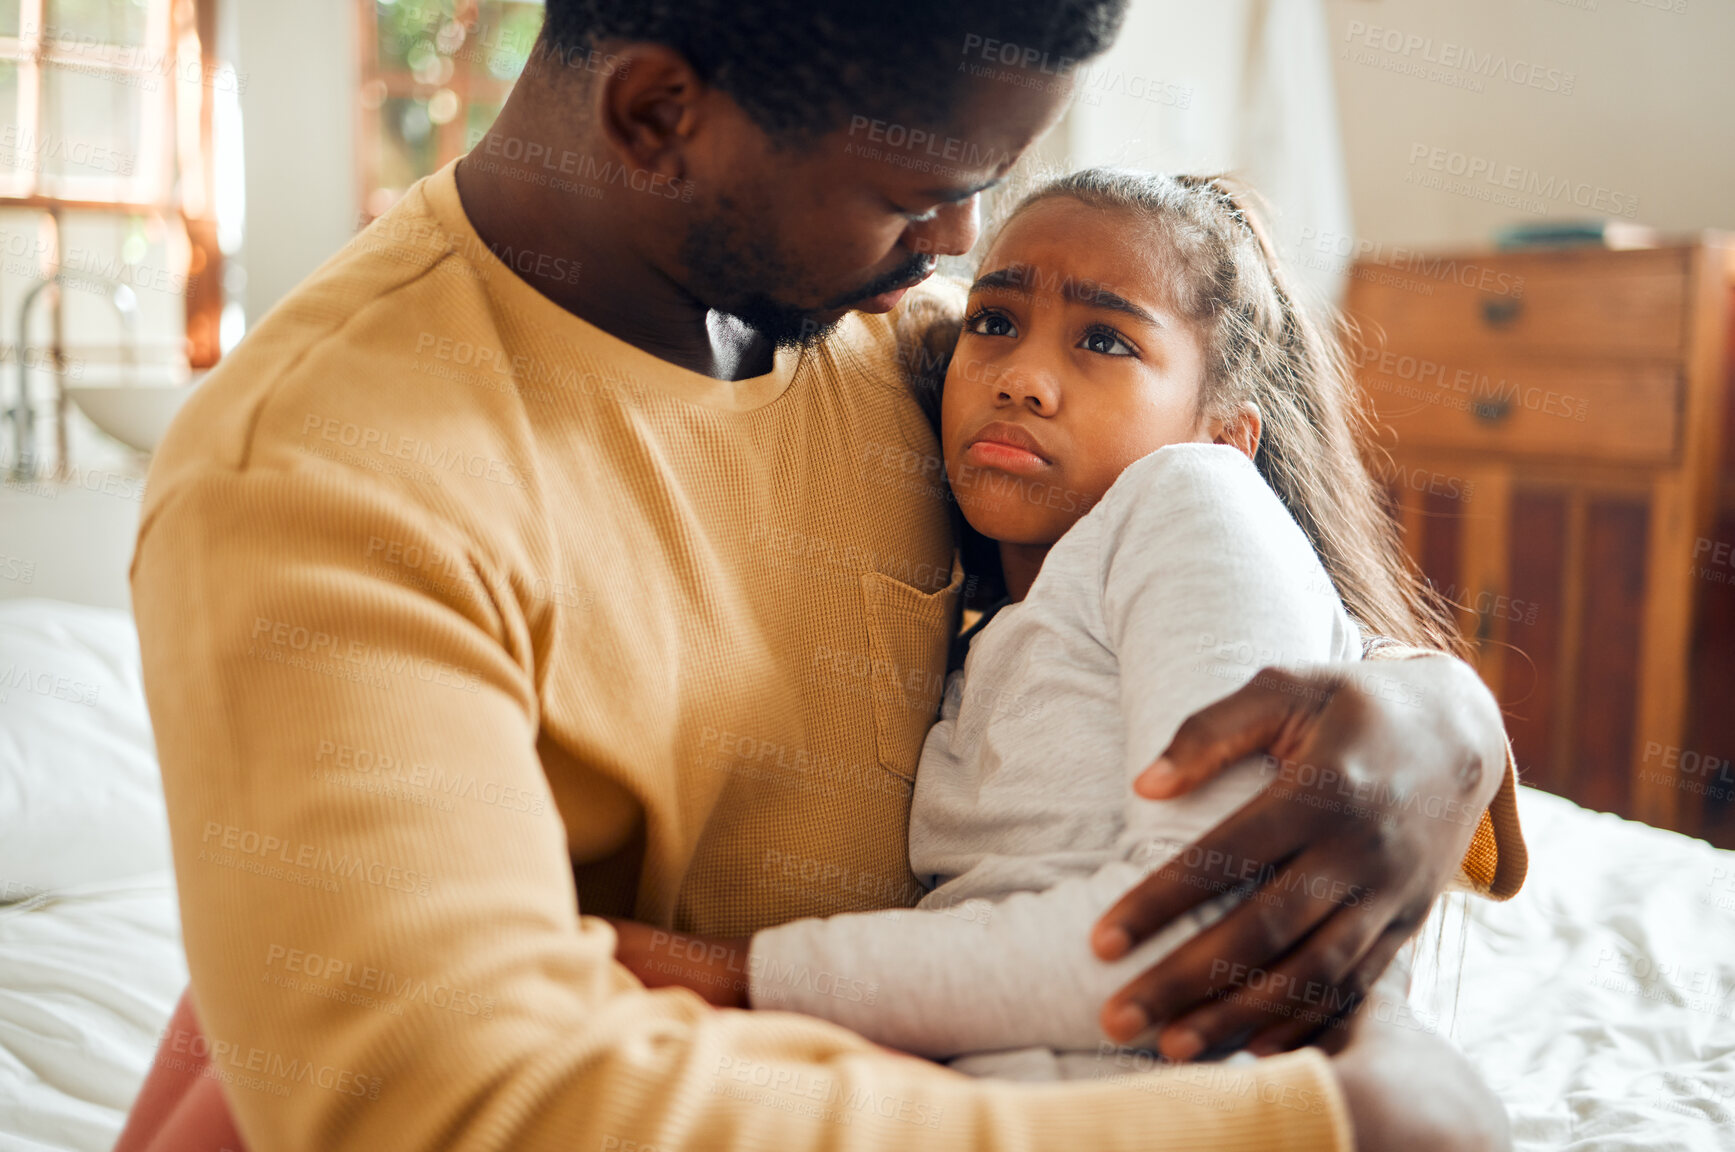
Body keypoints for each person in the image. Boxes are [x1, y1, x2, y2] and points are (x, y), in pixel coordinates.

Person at [115, 3, 1524, 1151]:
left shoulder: (886, 348)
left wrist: (1433, 710)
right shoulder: (313, 478)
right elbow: (450, 1103)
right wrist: (1307, 1125)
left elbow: (1174, 545)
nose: (959, 249)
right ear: (659, 117)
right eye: (919, 193)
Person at [606, 170, 1494, 1092]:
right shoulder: (997, 622)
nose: (1022, 380)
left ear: (1224, 433)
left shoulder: (1194, 497)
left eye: (1104, 340)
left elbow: (1196, 932)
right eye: (992, 323)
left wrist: (728, 977)